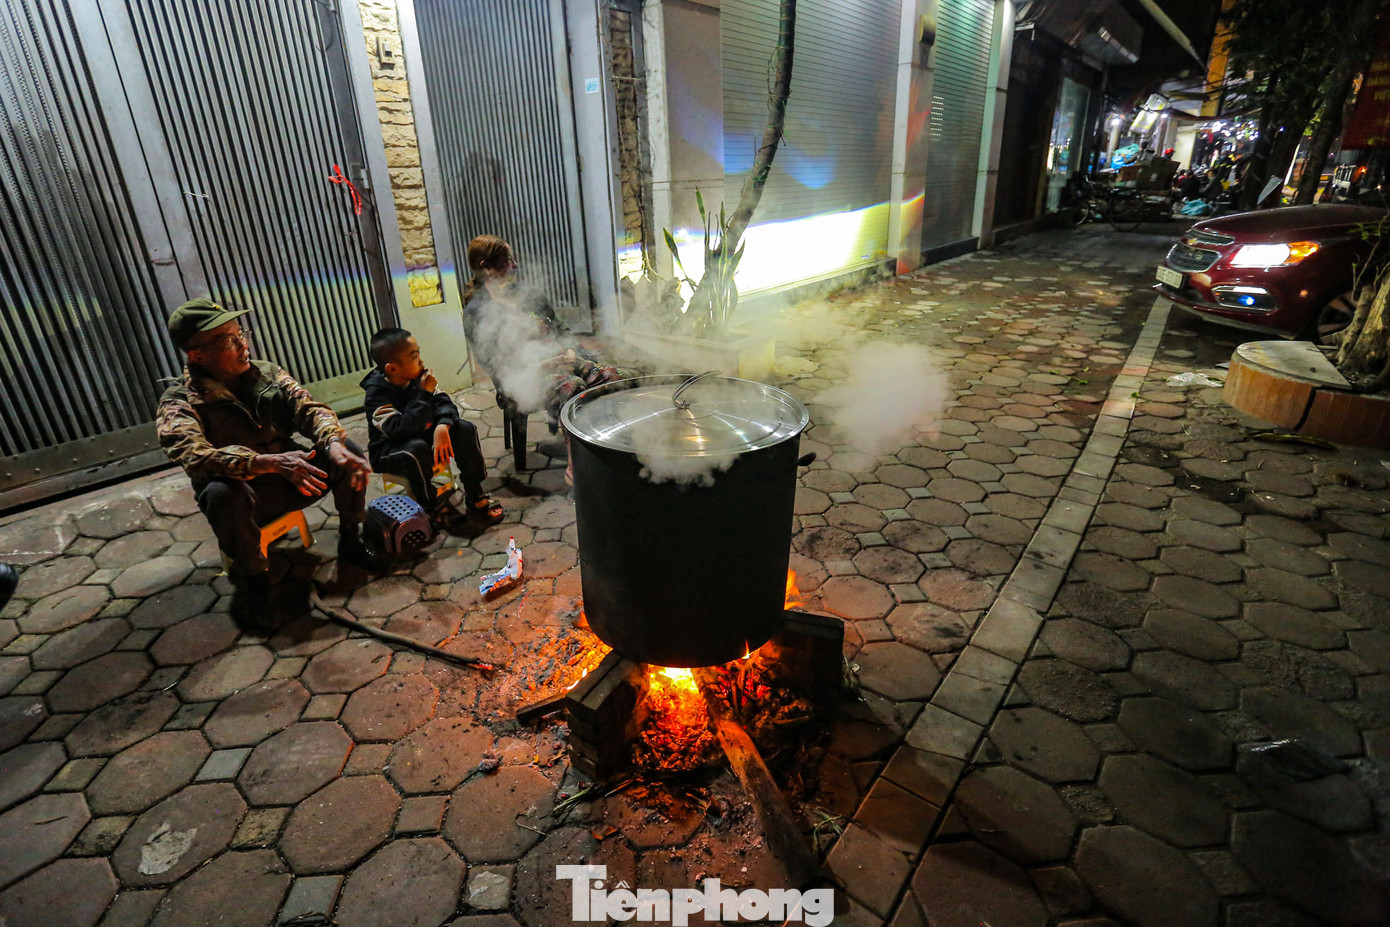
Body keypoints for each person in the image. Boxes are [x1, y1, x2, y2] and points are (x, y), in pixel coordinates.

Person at [156, 297, 373, 632]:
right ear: (197, 355)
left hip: (295, 477)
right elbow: (192, 455)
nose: (243, 344)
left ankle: (350, 539)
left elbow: (309, 409)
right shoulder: (179, 402)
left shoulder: (266, 373)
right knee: (219, 493)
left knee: (347, 449)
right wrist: (266, 463)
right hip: (246, 499)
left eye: (240, 332)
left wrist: (331, 441)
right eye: (227, 340)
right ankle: (257, 584)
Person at [461, 235, 636, 482]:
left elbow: (559, 325)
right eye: (507, 260)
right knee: (571, 387)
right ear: (485, 266)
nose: (515, 265)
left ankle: (607, 444)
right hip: (522, 377)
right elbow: (491, 361)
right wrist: (539, 363)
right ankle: (578, 464)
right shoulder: (476, 311)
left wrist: (571, 349)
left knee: (613, 377)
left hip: (560, 359)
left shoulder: (525, 293)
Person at [360, 327, 503, 528]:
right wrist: (424, 395)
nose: (421, 361)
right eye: (414, 356)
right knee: (415, 449)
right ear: (392, 369)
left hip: (420, 434)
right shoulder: (376, 395)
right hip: (389, 450)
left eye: (419, 354)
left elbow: (445, 403)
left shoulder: (420, 377)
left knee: (464, 428)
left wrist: (442, 427)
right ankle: (430, 506)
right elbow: (399, 429)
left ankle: (474, 491)